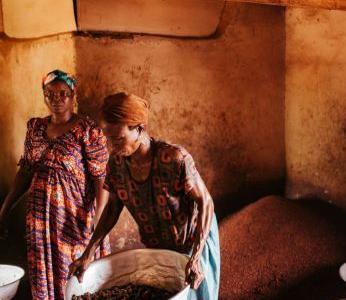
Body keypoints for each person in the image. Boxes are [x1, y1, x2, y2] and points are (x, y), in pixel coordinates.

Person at [69, 92, 220, 300]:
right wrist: (87, 255)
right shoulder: (117, 164)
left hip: (193, 240)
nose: (112, 145)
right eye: (109, 138)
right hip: (159, 244)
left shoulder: (174, 159)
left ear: (139, 128)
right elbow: (112, 209)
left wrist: (195, 258)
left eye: (118, 138)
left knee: (195, 293)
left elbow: (206, 201)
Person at [0, 69, 110, 299]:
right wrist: (5, 208)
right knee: (44, 273)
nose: (56, 99)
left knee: (75, 273)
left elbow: (102, 181)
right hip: (40, 219)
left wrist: (97, 222)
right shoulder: (35, 128)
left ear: (73, 95)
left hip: (75, 219)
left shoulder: (88, 131)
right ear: (44, 95)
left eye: (63, 94)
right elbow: (25, 171)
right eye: (50, 94)